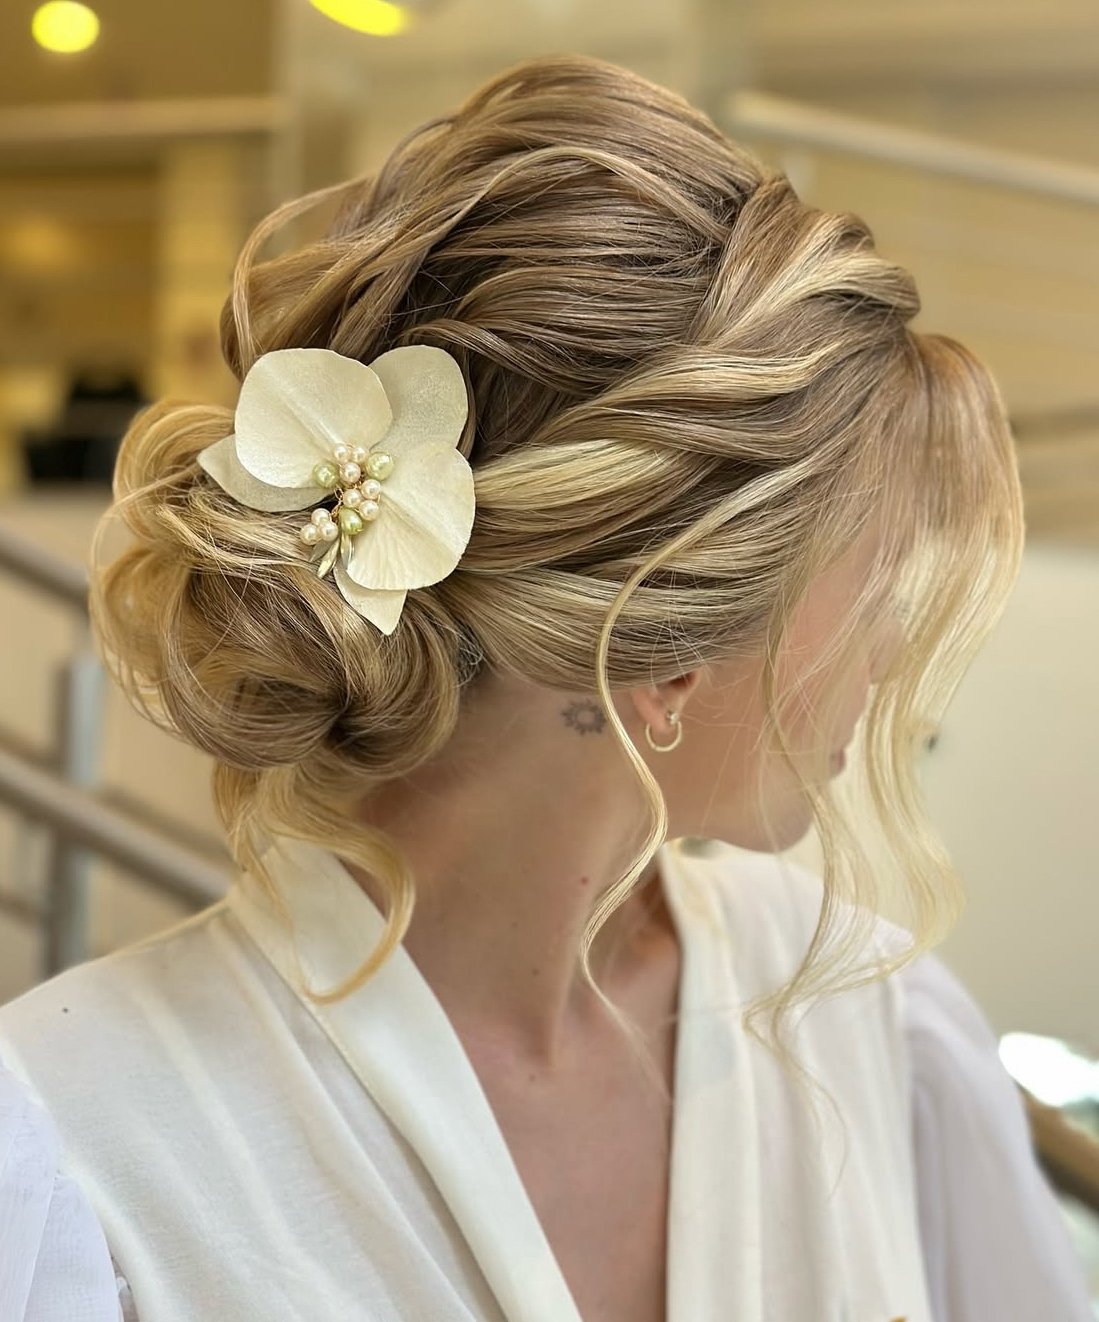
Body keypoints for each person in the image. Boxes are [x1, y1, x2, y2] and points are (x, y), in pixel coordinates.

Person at [0, 54, 1093, 1322]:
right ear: (663, 645)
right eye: (875, 563)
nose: (894, 641)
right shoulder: (80, 1147)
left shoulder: (872, 1024)